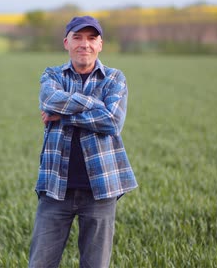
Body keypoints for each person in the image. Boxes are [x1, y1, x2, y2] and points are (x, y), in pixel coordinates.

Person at [29, 16, 138, 267]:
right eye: (77, 37)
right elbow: (49, 101)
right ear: (66, 42)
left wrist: (65, 115)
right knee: (40, 263)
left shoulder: (114, 78)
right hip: (55, 187)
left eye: (91, 38)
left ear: (100, 44)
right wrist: (94, 106)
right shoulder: (52, 75)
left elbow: (111, 121)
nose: (84, 44)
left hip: (101, 189)